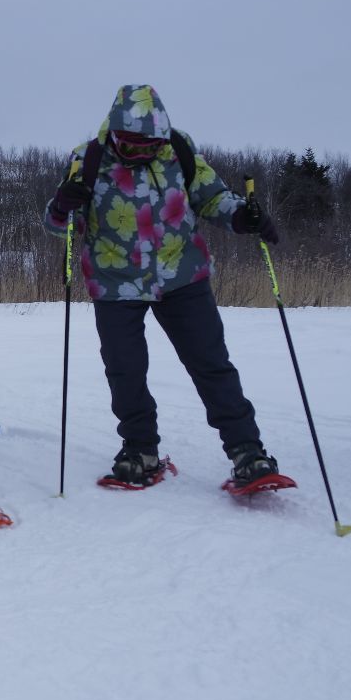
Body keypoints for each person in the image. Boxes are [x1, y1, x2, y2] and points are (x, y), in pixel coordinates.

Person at [43, 84, 282, 488]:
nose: (142, 153)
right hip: (114, 281)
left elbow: (212, 197)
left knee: (211, 364)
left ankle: (247, 452)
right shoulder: (88, 158)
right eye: (133, 145)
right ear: (116, 133)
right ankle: (140, 449)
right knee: (125, 371)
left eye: (150, 145)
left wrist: (243, 217)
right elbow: (59, 227)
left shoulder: (179, 148)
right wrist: (62, 205)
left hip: (182, 275)